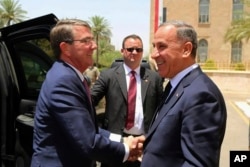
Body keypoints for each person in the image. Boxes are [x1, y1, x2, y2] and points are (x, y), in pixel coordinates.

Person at [31, 18, 145, 167]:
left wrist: (122, 140)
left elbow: (88, 128)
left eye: (92, 40)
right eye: (86, 41)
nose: (94, 46)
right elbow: (88, 141)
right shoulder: (64, 81)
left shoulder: (70, 75)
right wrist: (127, 149)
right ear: (65, 48)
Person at [141, 20, 227, 167]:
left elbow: (197, 164)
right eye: (154, 46)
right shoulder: (176, 84)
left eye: (162, 46)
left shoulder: (201, 96)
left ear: (186, 49)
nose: (154, 55)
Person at [91, 34, 163, 167]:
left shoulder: (155, 78)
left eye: (138, 49)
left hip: (144, 143)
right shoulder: (108, 76)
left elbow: (162, 111)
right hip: (116, 142)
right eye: (130, 49)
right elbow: (89, 102)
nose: (134, 52)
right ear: (122, 51)